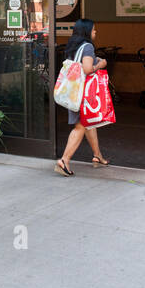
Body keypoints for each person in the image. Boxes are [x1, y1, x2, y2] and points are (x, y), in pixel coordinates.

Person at [55, 18, 110, 176]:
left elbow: (78, 64)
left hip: (73, 91)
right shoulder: (88, 47)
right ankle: (64, 160)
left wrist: (94, 60)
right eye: (93, 29)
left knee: (88, 123)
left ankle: (97, 155)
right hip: (82, 92)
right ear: (86, 31)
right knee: (80, 126)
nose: (95, 32)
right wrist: (100, 64)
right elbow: (86, 69)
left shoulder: (74, 46)